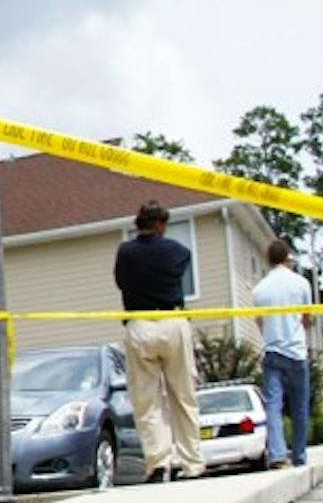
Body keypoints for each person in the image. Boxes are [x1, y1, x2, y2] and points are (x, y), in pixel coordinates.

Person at [114, 200, 204, 482]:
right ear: (161, 224)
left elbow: (121, 282)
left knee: (147, 400)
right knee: (184, 395)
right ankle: (192, 463)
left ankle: (157, 462)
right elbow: (183, 261)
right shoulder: (177, 251)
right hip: (173, 321)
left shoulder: (126, 252)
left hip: (140, 324)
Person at [251, 238, 312, 468]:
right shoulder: (301, 283)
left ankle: (277, 454)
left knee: (274, 405)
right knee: (299, 407)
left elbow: (259, 322)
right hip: (296, 351)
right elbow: (307, 318)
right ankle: (299, 456)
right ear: (287, 258)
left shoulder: (259, 290)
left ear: (268, 259)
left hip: (273, 351)